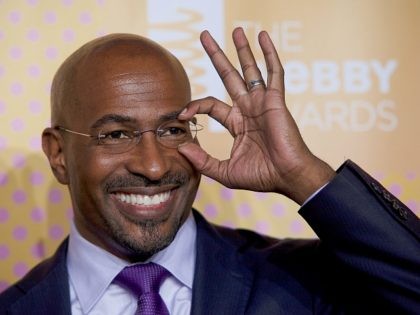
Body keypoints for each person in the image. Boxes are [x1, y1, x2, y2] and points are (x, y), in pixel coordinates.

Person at [0, 27, 419, 315]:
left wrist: (303, 175)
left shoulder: (301, 282)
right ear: (58, 154)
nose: (153, 165)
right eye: (115, 135)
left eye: (172, 129)